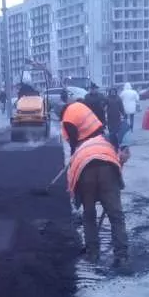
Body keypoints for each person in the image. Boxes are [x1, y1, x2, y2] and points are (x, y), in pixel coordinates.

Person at [62, 100, 130, 270]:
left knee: (89, 214)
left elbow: (72, 176)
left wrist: (74, 193)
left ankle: (92, 252)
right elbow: (120, 159)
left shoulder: (77, 144)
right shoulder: (106, 142)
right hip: (108, 167)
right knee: (116, 215)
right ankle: (121, 255)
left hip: (84, 169)